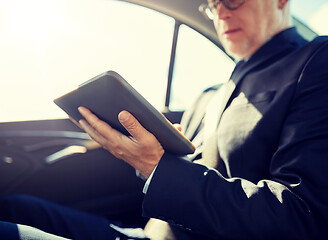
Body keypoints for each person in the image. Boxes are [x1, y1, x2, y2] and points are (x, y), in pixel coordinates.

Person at [1, 0, 328, 239]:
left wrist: (157, 166)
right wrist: (153, 156)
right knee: (14, 208)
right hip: (146, 234)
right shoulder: (209, 95)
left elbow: (304, 217)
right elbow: (185, 174)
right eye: (213, 5)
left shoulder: (316, 62)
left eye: (232, 0)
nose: (222, 12)